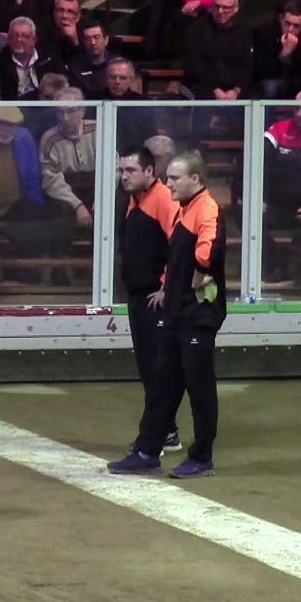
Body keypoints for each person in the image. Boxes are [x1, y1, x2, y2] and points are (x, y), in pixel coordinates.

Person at [109, 152, 226, 479]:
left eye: (175, 178)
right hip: (179, 313)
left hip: (196, 315)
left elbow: (208, 250)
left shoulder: (205, 209)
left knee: (199, 388)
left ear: (196, 180)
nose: (169, 182)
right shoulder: (187, 209)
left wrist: (200, 272)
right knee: (163, 384)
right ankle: (148, 449)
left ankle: (201, 457)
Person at [116, 145, 185, 456]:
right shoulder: (135, 200)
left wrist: (166, 286)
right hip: (138, 295)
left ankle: (160, 433)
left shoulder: (163, 200)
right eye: (121, 171)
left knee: (158, 369)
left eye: (130, 170)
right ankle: (166, 429)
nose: (124, 176)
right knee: (148, 367)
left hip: (155, 298)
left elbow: (181, 244)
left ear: (149, 171)